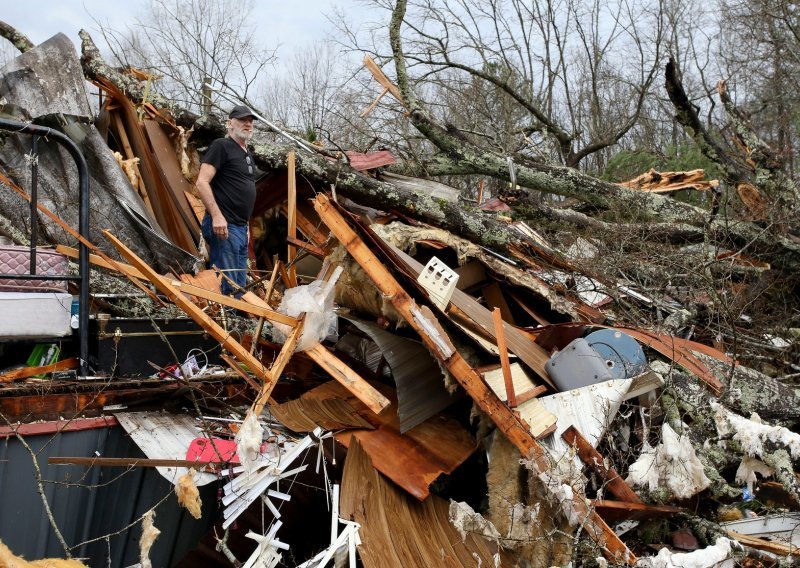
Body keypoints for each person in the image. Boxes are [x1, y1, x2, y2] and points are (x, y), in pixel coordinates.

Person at [196, 105, 258, 296]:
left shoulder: (247, 154)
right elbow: (201, 182)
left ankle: (234, 322)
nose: (247, 124)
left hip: (239, 228)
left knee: (239, 285)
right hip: (225, 225)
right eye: (242, 120)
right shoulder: (221, 146)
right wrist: (217, 216)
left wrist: (246, 227)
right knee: (227, 285)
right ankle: (224, 321)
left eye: (250, 121)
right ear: (229, 124)